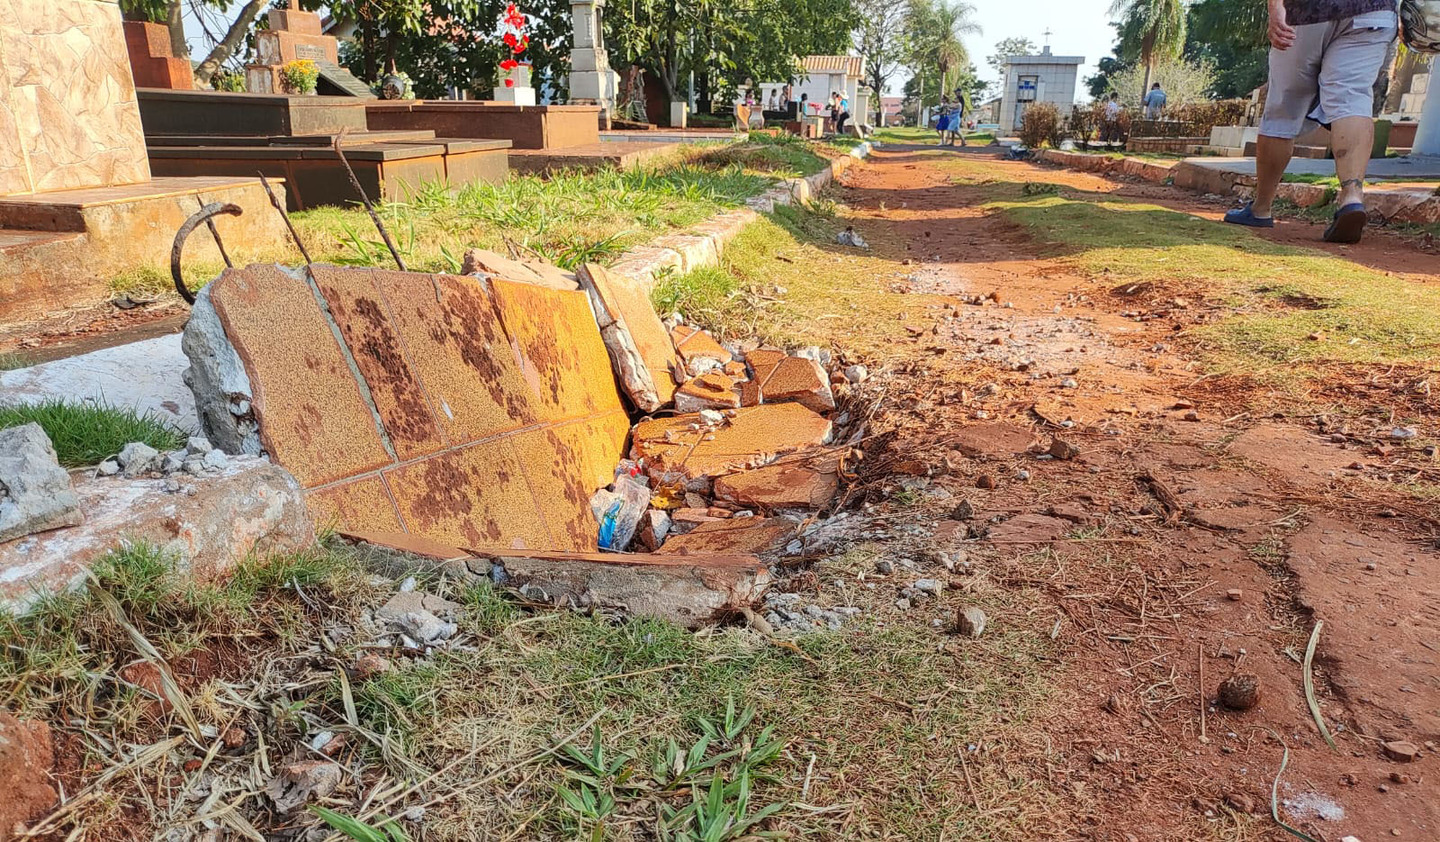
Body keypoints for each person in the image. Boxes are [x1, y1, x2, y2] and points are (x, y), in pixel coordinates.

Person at [1224, 0, 1396, 243]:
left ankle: (1261, 208)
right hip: (1374, 11)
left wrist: (1275, 8)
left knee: (1285, 106)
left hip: (1307, 11)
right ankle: (1352, 198)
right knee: (1352, 98)